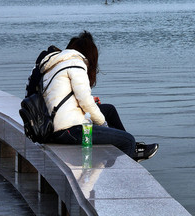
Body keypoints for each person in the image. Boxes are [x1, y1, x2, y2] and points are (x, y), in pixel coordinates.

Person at [41, 31, 158, 162]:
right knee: (127, 141)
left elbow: (66, 97)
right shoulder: (77, 64)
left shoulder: (57, 64)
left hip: (57, 127)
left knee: (109, 110)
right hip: (70, 132)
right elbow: (85, 102)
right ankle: (120, 171)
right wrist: (103, 124)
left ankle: (117, 160)